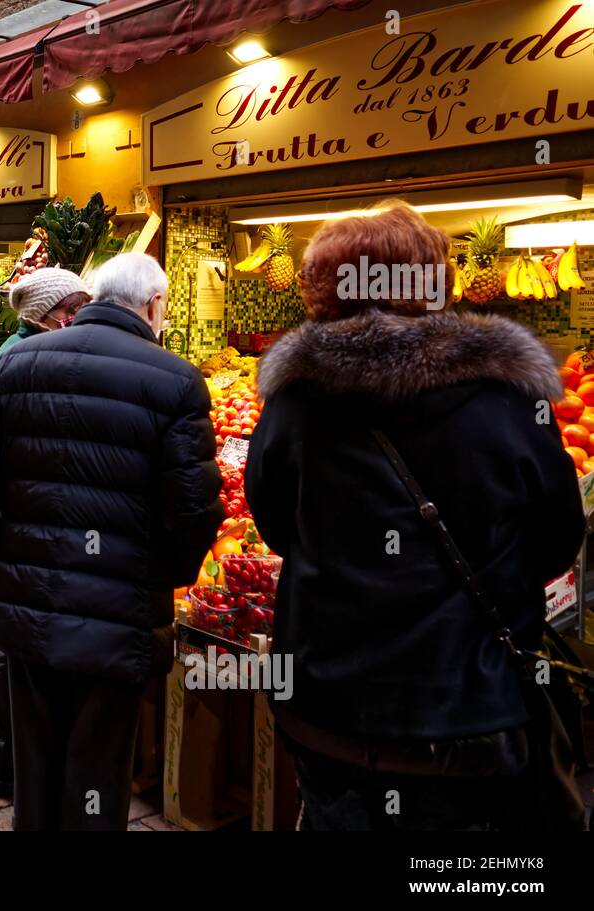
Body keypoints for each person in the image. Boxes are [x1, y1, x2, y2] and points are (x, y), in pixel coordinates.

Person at [245, 203, 586, 831]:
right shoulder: (508, 399)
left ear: (327, 285)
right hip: (468, 714)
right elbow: (558, 538)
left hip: (326, 704)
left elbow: (275, 528)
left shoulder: (296, 404)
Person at [0, 252, 223, 830]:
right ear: (153, 305)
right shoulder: (177, 380)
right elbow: (195, 511)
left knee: (35, 762)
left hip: (25, 607)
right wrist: (158, 580)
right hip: (117, 615)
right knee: (98, 771)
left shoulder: (12, 365)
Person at [0, 267, 92, 800]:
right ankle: (10, 769)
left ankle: (19, 771)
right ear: (44, 316)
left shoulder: (46, 355)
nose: (76, 321)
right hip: (16, 533)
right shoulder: (9, 363)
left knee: (20, 653)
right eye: (70, 311)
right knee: (15, 655)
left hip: (28, 530)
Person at [0, 267, 90, 398]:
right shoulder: (18, 361)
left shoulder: (50, 350)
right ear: (40, 315)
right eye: (72, 311)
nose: (78, 320)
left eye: (84, 310)